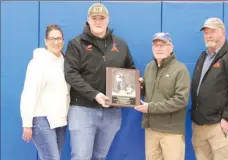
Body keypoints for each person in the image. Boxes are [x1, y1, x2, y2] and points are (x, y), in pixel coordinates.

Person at [64, 3, 135, 160]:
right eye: (94, 18)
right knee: (81, 157)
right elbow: (71, 74)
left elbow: (130, 71)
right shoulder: (76, 44)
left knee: (100, 157)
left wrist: (137, 84)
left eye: (101, 18)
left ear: (108, 20)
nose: (98, 22)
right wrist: (94, 94)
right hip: (82, 109)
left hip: (112, 112)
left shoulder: (121, 44)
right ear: (88, 20)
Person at [190, 17, 228, 160]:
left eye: (212, 31)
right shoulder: (203, 57)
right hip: (199, 126)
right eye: (206, 32)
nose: (208, 35)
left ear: (223, 32)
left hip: (219, 127)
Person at [135, 32, 191, 160]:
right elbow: (150, 93)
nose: (158, 48)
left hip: (171, 132)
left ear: (171, 48)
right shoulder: (149, 67)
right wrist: (139, 87)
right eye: (155, 45)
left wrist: (150, 108)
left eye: (163, 45)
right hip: (151, 130)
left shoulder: (180, 70)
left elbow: (181, 100)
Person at [20, 24, 70, 160]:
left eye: (59, 38)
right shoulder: (38, 63)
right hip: (41, 119)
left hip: (60, 120)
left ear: (63, 40)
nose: (56, 42)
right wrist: (27, 123)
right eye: (52, 38)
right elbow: (29, 93)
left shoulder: (64, 62)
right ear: (46, 41)